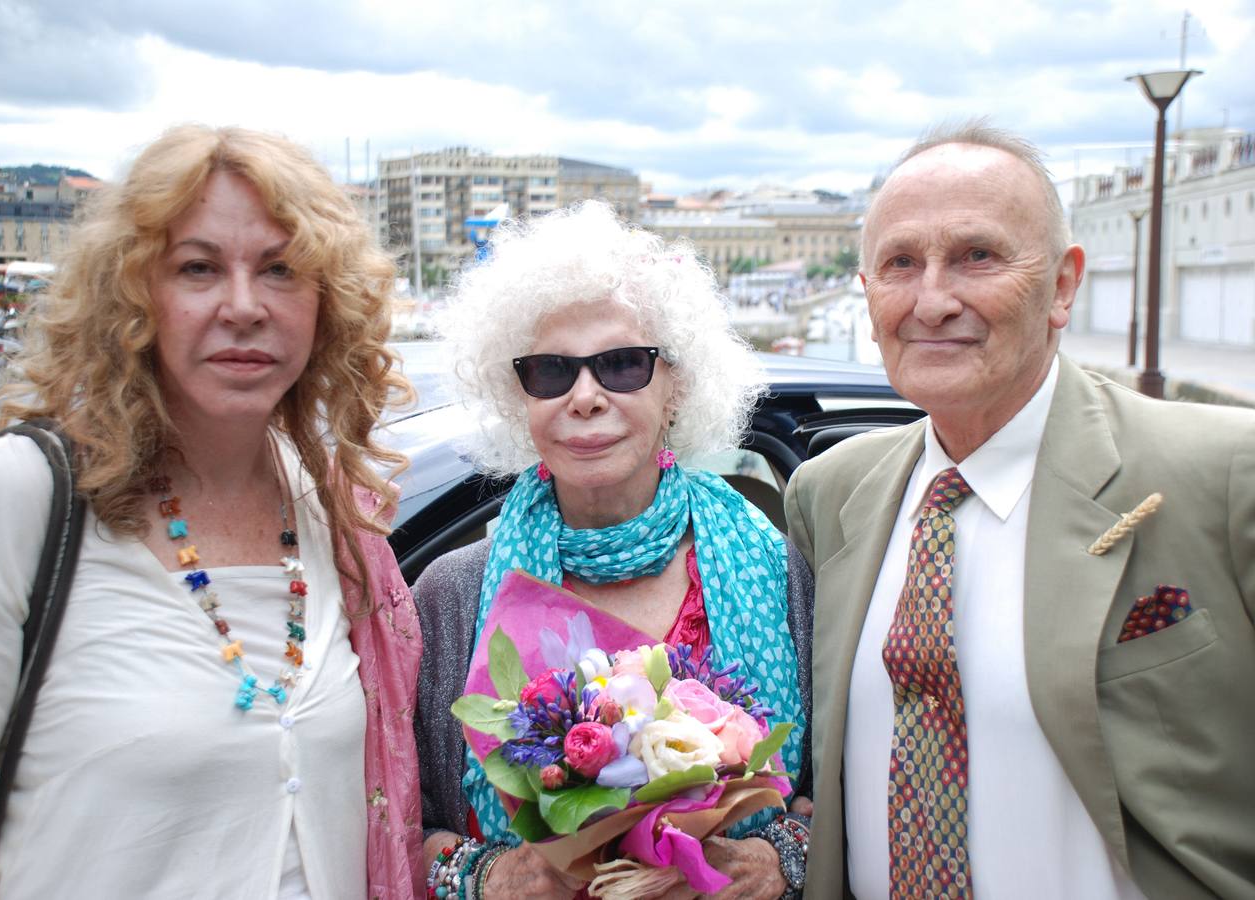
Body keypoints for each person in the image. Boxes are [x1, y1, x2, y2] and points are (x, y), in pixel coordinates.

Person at [0, 125, 424, 899]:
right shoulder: (21, 497)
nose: (244, 306)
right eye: (198, 268)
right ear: (133, 295)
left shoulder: (330, 509)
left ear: (328, 305)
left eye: (282, 270)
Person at [785, 121, 1255, 899]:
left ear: (1063, 285)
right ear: (867, 296)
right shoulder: (829, 494)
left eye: (977, 255)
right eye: (901, 263)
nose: (933, 301)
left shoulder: (1222, 473)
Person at [413, 201, 815, 899]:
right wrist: (489, 878)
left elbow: (851, 793)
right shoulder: (449, 595)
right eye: (551, 371)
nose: (586, 396)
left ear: (676, 383)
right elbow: (394, 827)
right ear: (520, 395)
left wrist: (779, 862)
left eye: (623, 364)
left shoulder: (783, 573)